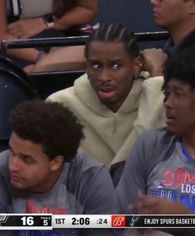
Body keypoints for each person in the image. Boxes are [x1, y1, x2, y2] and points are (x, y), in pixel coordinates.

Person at [116, 47, 195, 235]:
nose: (167, 103)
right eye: (167, 93)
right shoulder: (150, 144)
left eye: (178, 94)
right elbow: (120, 220)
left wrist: (188, 222)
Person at [47, 23, 166, 186]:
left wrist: (158, 82)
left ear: (136, 65)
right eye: (96, 66)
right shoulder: (59, 105)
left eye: (116, 66)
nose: (104, 77)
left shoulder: (160, 97)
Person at [0, 99, 118, 236]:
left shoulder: (90, 179)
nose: (13, 166)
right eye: (12, 152)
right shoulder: (2, 171)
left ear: (55, 162)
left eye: (27, 159)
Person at [0, 0, 97, 68]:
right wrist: (43, 59)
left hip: (61, 32)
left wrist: (46, 21)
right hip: (16, 47)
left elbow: (86, 8)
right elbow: (2, 37)